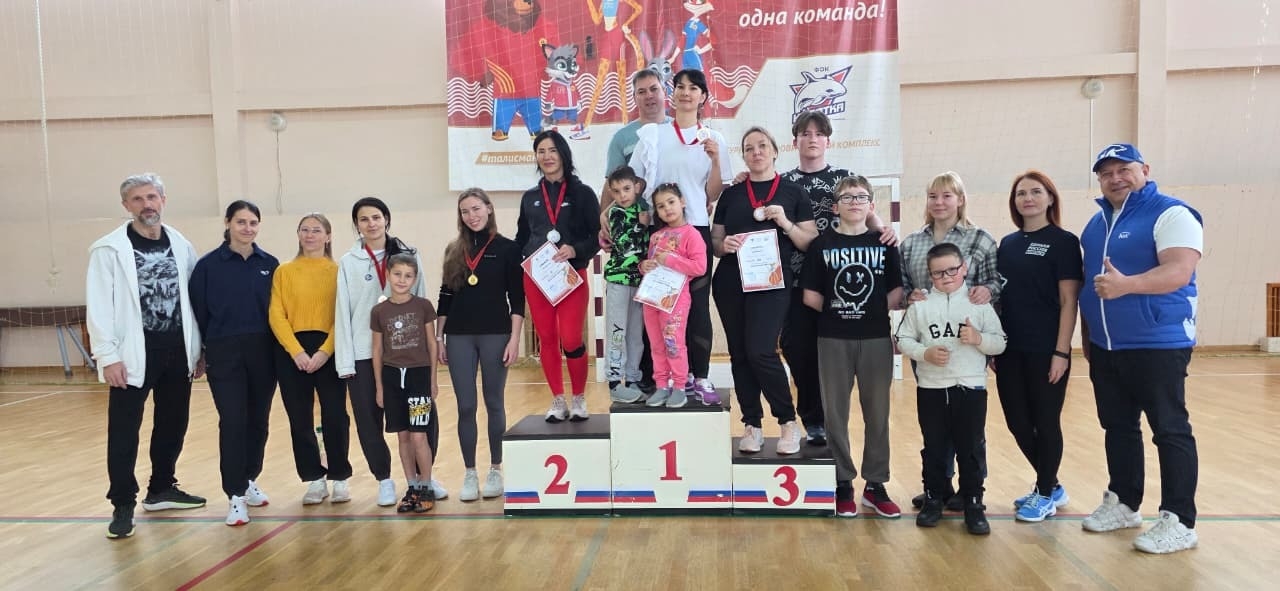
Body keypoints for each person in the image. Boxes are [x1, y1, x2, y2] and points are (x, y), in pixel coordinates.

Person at [1079, 143, 1203, 554]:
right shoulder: (1096, 224)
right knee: (1117, 426)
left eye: (1123, 169)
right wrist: (1089, 335)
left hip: (1158, 343)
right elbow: (1091, 287)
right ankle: (1125, 503)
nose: (1115, 178)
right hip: (1106, 346)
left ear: (1144, 170)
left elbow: (1179, 270)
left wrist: (1126, 286)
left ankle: (1179, 520)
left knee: (1169, 428)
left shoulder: (1172, 213)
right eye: (1106, 173)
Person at [88, 173, 207, 539]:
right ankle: (123, 503)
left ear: (163, 200)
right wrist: (107, 356)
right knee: (124, 432)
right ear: (126, 205)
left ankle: (162, 488)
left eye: (152, 197)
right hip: (131, 356)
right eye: (138, 199)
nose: (146, 205)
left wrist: (199, 349)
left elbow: (194, 299)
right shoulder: (108, 249)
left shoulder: (181, 244)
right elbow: (99, 306)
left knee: (173, 424)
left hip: (177, 352)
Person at [779, 111, 895, 446]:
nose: (812, 139)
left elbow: (869, 214)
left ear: (828, 140)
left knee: (834, 355)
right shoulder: (783, 182)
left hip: (842, 285)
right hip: (796, 283)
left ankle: (835, 423)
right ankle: (813, 419)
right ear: (795, 141)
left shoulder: (845, 179)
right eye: (805, 133)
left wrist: (884, 232)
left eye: (818, 133)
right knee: (798, 350)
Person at [801, 176, 903, 518]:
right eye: (847, 197)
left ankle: (875, 485)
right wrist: (841, 311)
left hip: (876, 338)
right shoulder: (821, 245)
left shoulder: (884, 242)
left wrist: (869, 311)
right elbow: (810, 296)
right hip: (833, 339)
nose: (854, 202)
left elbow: (896, 291)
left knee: (878, 414)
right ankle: (842, 481)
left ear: (871, 205)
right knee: (835, 414)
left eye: (861, 197)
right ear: (835, 207)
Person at [900, 171, 1002, 512]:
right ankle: (938, 485)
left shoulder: (981, 239)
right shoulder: (911, 243)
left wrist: (987, 290)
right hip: (930, 345)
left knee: (968, 425)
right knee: (936, 422)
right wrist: (910, 296)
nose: (939, 202)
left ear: (960, 199)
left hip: (968, 346)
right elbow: (903, 287)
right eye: (933, 196)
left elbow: (996, 282)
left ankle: (971, 489)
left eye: (947, 195)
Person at [712, 126, 817, 455]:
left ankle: (787, 421)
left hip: (772, 283)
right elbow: (715, 241)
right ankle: (752, 425)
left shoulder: (793, 192)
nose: (756, 152)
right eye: (749, 148)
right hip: (730, 282)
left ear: (774, 151)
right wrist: (723, 245)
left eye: (762, 146)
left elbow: (809, 242)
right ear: (743, 156)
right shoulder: (731, 194)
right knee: (740, 354)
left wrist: (785, 223)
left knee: (760, 350)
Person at [630, 68, 733, 401]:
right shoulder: (653, 135)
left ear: (703, 96)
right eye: (680, 87)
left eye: (693, 88)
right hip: (659, 230)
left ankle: (699, 376)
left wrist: (715, 162)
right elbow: (635, 183)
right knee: (659, 305)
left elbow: (712, 192)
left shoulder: (714, 139)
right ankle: (665, 379)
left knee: (697, 307)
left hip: (696, 229)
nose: (686, 93)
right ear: (672, 94)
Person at [336, 197, 446, 506]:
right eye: (363, 219)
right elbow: (341, 311)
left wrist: (427, 355)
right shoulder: (348, 262)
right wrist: (345, 361)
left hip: (409, 356)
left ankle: (424, 478)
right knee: (369, 419)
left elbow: (421, 303)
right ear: (356, 225)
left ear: (386, 219)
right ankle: (384, 479)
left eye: (376, 217)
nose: (371, 223)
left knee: (423, 420)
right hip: (364, 352)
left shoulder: (409, 254)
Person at [896, 243, 1007, 535]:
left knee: (970, 449)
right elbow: (903, 339)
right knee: (934, 447)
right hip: (931, 388)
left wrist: (978, 339)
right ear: (929, 274)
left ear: (964, 269)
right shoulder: (920, 305)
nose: (946, 277)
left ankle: (973, 503)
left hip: (970, 388)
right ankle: (933, 499)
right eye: (938, 273)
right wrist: (924, 353)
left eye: (952, 270)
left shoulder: (978, 304)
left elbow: (1000, 342)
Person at [994, 171, 1082, 523]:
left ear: (1050, 198)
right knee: (1018, 423)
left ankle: (1044, 493)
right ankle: (1053, 484)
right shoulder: (1007, 244)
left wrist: (1061, 352)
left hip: (1047, 351)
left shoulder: (1064, 242)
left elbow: (1069, 301)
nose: (1028, 198)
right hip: (1009, 350)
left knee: (1046, 422)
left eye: (1035, 192)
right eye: (1021, 193)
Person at [189, 200, 280, 526]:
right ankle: (235, 495)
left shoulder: (270, 264)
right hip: (224, 353)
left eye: (253, 222)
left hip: (263, 353)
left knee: (259, 421)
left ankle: (249, 477)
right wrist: (201, 352)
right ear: (228, 223)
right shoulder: (207, 266)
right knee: (232, 421)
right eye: (241, 222)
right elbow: (197, 313)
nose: (247, 228)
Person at [437, 188, 524, 502]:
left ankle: (495, 469)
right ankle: (470, 472)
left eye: (476, 209)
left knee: (494, 402)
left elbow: (517, 298)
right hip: (458, 336)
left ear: (488, 208)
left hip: (496, 335)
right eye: (465, 211)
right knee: (465, 406)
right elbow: (445, 296)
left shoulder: (508, 249)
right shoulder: (454, 250)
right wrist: (439, 337)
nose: (471, 216)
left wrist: (514, 339)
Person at [515, 130, 602, 422]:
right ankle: (557, 399)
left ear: (563, 153)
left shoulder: (583, 194)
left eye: (552, 150)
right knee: (547, 338)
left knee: (571, 338)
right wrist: (521, 261)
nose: (547, 156)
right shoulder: (530, 197)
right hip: (537, 279)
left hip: (571, 277)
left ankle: (578, 397)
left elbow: (596, 237)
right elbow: (521, 238)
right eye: (541, 151)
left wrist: (575, 249)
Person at [269, 213, 353, 506]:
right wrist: (296, 351)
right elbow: (276, 314)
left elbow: (343, 315)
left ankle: (340, 477)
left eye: (316, 230)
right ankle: (314, 479)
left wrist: (325, 351)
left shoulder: (339, 271)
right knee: (299, 417)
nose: (310, 235)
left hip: (329, 349)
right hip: (292, 352)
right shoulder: (284, 271)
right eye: (304, 230)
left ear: (328, 236)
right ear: (298, 235)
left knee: (335, 415)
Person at [600, 68, 671, 395]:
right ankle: (620, 380)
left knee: (656, 317)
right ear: (635, 97)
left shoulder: (679, 131)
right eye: (641, 91)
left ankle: (667, 377)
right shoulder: (623, 137)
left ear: (664, 91)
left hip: (666, 236)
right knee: (622, 325)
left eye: (653, 89)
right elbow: (608, 186)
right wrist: (603, 220)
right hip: (627, 262)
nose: (649, 96)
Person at [371, 254, 440, 513]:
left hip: (418, 377)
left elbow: (432, 343)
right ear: (388, 275)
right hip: (391, 379)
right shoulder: (379, 311)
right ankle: (411, 487)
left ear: (415, 279)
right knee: (403, 436)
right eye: (397, 274)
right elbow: (377, 350)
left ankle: (426, 486)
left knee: (419, 435)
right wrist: (380, 387)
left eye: (408, 276)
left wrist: (432, 380)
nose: (402, 280)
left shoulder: (423, 306)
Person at [640, 183, 708, 407]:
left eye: (671, 202)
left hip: (676, 301)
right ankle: (661, 385)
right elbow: (651, 265)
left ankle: (679, 386)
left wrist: (670, 259)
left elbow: (700, 267)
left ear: (682, 202)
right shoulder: (656, 236)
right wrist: (644, 266)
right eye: (661, 206)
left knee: (673, 343)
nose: (667, 208)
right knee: (656, 344)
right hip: (652, 299)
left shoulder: (692, 234)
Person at [602, 166, 651, 403]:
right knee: (617, 331)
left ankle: (632, 378)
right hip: (619, 280)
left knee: (635, 333)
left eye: (626, 189)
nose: (622, 195)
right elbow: (623, 243)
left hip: (639, 281)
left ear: (637, 187)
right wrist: (642, 226)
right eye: (616, 191)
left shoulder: (644, 209)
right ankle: (614, 381)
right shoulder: (616, 214)